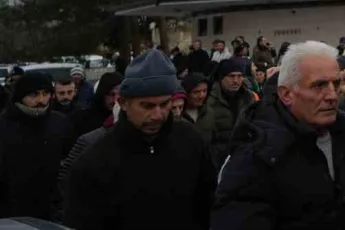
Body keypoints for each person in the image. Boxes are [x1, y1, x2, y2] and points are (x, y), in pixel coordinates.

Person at [213, 41, 345, 230]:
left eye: (335, 83)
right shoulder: (257, 155)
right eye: (319, 85)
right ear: (286, 94)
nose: (332, 95)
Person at [65, 50, 216, 230]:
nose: (158, 115)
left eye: (165, 104)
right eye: (148, 106)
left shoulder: (190, 141)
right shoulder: (95, 161)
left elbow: (208, 205)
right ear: (123, 103)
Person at [0, 71, 74, 219]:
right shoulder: (4, 125)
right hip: (12, 210)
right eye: (34, 95)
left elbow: (71, 160)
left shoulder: (59, 122)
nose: (41, 100)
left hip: (53, 208)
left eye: (45, 94)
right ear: (21, 96)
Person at [197, 57, 254, 168]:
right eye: (232, 76)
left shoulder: (249, 98)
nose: (236, 81)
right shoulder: (208, 99)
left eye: (240, 76)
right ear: (222, 77)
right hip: (217, 161)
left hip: (243, 159)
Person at [70, 71, 123, 137]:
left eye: (120, 95)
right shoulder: (82, 120)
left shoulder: (128, 119)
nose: (116, 100)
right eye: (112, 94)